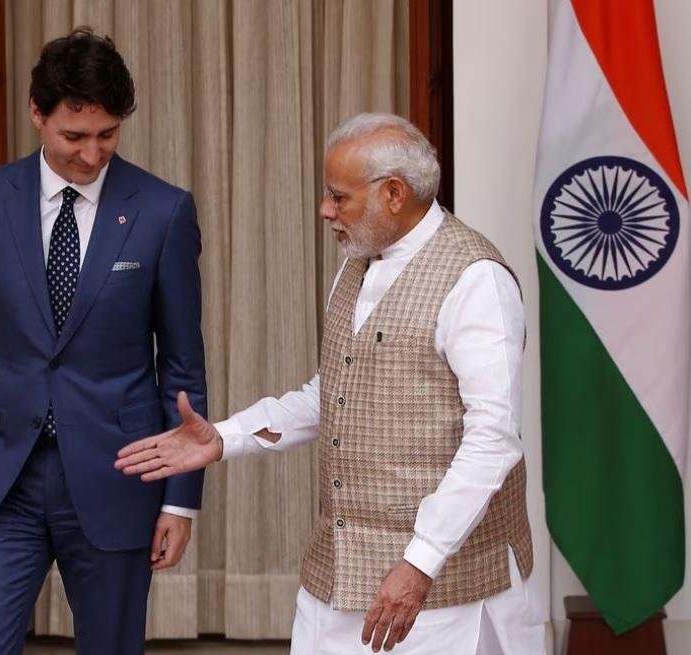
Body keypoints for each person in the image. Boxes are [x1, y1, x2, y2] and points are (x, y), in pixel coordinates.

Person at [116, 113, 544, 654]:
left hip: (443, 591)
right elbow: (336, 396)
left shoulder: (476, 279)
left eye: (338, 197)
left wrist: (420, 562)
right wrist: (225, 437)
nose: (325, 210)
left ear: (394, 193)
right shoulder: (356, 264)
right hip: (336, 572)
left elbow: (493, 440)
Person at [0, 28, 207, 655]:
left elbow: (183, 363)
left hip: (117, 476)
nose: (91, 153)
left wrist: (180, 501)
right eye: (73, 136)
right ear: (36, 113)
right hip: (0, 480)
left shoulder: (163, 212)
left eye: (107, 135)